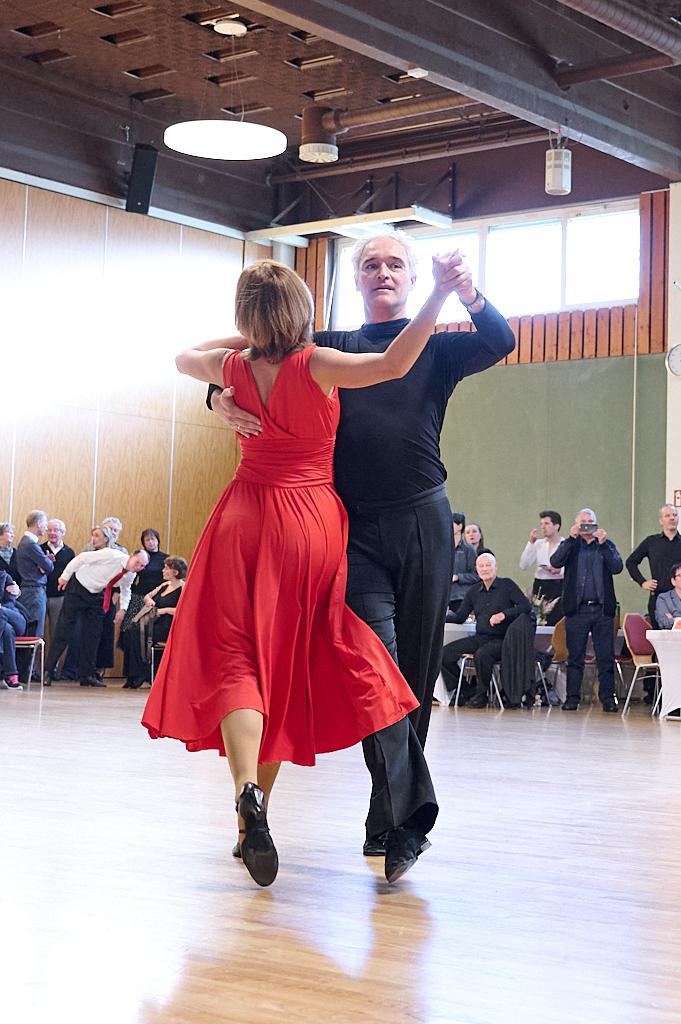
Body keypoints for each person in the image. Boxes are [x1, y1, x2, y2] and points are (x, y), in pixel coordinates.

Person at [142, 255, 468, 888]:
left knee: (241, 661)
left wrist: (232, 369)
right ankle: (263, 814)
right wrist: (435, 299)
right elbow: (394, 364)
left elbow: (182, 355)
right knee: (287, 662)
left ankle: (248, 803)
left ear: (246, 317)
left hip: (239, 518)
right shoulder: (315, 363)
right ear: (300, 311)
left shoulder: (231, 368)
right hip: (308, 523)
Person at [206, 229, 515, 856]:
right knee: (376, 665)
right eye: (370, 264)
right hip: (348, 529)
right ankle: (404, 820)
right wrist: (217, 397)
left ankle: (388, 824)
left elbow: (500, 340)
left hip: (424, 520)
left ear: (408, 276)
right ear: (355, 279)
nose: (383, 272)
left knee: (414, 669)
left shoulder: (433, 346)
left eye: (395, 264)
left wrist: (468, 293)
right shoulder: (327, 346)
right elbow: (244, 356)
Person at [550, 508, 623, 712]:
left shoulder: (605, 545)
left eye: (591, 521)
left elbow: (617, 567)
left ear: (596, 524)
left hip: (602, 611)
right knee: (575, 657)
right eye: (583, 522)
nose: (587, 525)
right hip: (577, 610)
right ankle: (572, 698)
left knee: (605, 657)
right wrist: (571, 539)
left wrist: (604, 544)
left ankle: (608, 699)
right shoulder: (571, 545)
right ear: (576, 524)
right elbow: (555, 561)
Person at [45, 546, 149, 687]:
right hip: (79, 588)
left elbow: (126, 590)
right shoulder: (111, 555)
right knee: (64, 631)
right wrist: (64, 577)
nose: (138, 567)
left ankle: (86, 675)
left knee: (92, 635)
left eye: (142, 566)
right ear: (131, 555)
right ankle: (48, 672)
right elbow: (81, 558)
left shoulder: (131, 574)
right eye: (137, 562)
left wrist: (123, 609)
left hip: (97, 595)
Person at [441, 553, 531, 707]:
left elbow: (525, 607)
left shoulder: (507, 585)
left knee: (482, 654)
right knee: (443, 655)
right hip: (480, 637)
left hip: (503, 639)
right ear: (476, 569)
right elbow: (460, 616)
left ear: (496, 567)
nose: (485, 569)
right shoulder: (474, 591)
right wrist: (439, 617)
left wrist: (504, 614)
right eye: (481, 566)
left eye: (488, 565)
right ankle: (467, 691)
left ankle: (482, 694)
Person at [122, 555, 186, 689]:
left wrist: (165, 610)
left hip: (168, 626)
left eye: (167, 568)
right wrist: (149, 601)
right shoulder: (164, 585)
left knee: (138, 634)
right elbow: (147, 596)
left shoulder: (183, 588)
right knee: (130, 631)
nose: (163, 570)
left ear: (175, 572)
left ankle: (139, 675)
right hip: (155, 622)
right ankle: (133, 675)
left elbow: (185, 611)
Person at [626, 504, 681, 624]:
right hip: (658, 598)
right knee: (659, 638)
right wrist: (642, 582)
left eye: (674, 515)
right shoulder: (651, 542)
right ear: (661, 520)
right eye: (667, 515)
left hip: (680, 598)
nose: (672, 518)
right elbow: (631, 562)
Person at [519, 510, 564, 626]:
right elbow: (523, 565)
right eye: (541, 524)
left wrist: (560, 570)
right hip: (540, 586)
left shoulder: (565, 544)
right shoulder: (538, 544)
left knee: (556, 620)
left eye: (547, 524)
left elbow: (573, 568)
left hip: (559, 585)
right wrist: (531, 543)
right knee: (538, 619)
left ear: (556, 526)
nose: (543, 527)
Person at [13, 510, 52, 637]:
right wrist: (46, 563)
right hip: (33, 592)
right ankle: (30, 658)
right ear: (39, 524)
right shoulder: (30, 544)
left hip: (30, 591)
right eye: (45, 524)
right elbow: (49, 566)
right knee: (34, 633)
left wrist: (44, 564)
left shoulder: (26, 543)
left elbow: (44, 566)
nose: (46, 528)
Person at [41, 518, 76, 640]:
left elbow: (72, 576)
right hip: (41, 595)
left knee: (57, 632)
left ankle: (54, 660)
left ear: (62, 532)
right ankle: (36, 659)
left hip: (60, 597)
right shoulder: (39, 549)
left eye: (55, 530)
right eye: (49, 530)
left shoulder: (69, 552)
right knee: (37, 631)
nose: (52, 533)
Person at [448, 512, 478, 615]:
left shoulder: (468, 549)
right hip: (444, 596)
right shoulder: (443, 547)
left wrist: (458, 577)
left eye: (451, 523)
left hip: (460, 597)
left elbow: (476, 576)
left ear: (460, 526)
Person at [0, 567, 25, 690]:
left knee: (0, 612)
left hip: (15, 618)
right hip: (6, 626)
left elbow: (10, 603)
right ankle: (11, 674)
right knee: (7, 630)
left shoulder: (5, 577)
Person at [655, 563, 681, 628]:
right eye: (680, 575)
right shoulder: (663, 598)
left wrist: (674, 619)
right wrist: (677, 622)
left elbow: (670, 621)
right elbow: (664, 622)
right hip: (673, 636)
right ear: (673, 581)